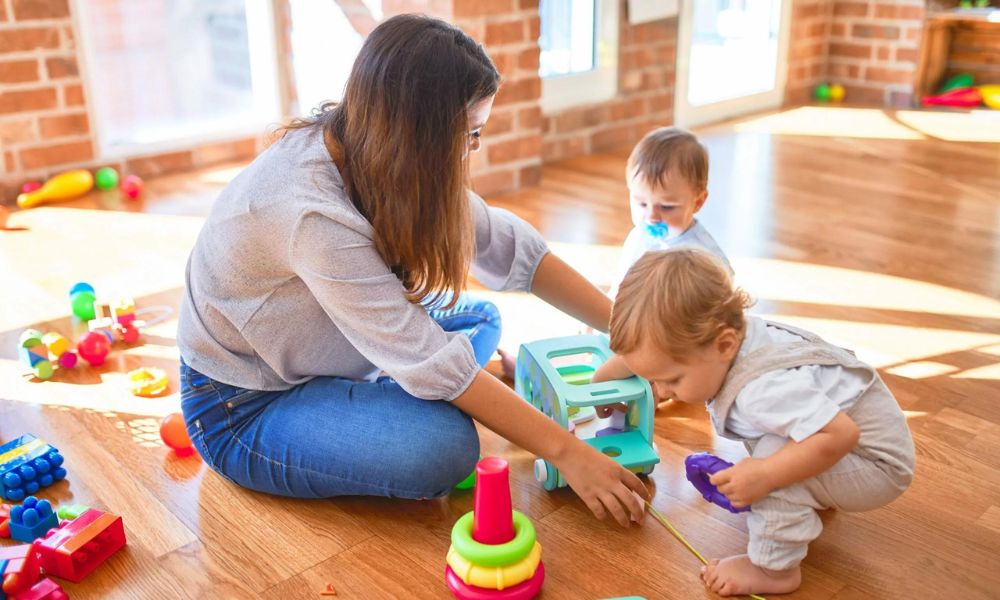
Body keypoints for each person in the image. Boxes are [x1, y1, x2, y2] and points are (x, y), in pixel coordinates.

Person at [176, 14, 646, 526]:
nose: (475, 148)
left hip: (336, 346)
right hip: (245, 406)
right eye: (470, 132)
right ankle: (390, 388)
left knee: (480, 319)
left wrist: (631, 332)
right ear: (419, 135)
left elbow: (509, 248)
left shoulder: (371, 148)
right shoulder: (310, 214)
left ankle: (388, 383)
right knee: (443, 448)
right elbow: (431, 359)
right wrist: (570, 453)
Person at [593, 248, 914, 596]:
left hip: (875, 465)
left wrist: (766, 474)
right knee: (774, 452)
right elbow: (650, 350)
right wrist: (605, 379)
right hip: (847, 442)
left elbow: (840, 434)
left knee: (769, 465)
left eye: (672, 378)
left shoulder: (760, 391)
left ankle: (772, 569)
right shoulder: (731, 336)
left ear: (725, 345)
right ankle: (808, 493)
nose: (662, 390)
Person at [608, 126, 731, 301]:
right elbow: (620, 287)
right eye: (642, 203)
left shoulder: (704, 257)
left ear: (698, 202)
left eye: (666, 207)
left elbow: (722, 302)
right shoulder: (638, 237)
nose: (651, 217)